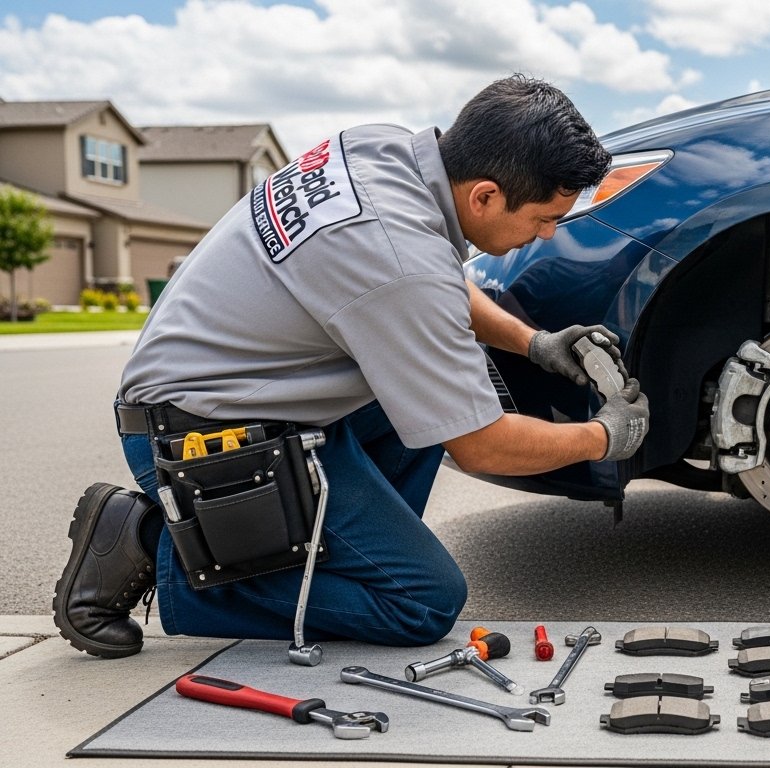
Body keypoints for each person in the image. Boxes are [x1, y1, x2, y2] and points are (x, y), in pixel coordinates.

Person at [52, 75, 650, 658]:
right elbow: (481, 444)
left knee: (442, 391)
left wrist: (534, 343)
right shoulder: (396, 255)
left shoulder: (384, 151)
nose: (545, 234)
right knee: (421, 603)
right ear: (485, 196)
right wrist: (603, 438)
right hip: (198, 434)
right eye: (543, 218)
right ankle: (148, 544)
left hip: (240, 393)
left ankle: (325, 552)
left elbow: (433, 281)